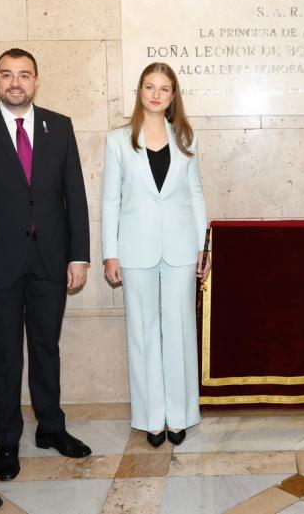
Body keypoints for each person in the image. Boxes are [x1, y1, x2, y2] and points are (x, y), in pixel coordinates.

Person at [0, 48, 91, 482]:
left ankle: (51, 427)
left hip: (51, 259)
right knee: (5, 354)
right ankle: (8, 438)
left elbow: (75, 195)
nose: (16, 82)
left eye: (24, 75)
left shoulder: (60, 125)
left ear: (36, 80)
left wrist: (78, 255)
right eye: (7, 74)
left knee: (47, 349)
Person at [101, 62, 210, 448]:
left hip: (181, 248)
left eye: (164, 89)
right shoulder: (118, 140)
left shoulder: (186, 137)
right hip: (135, 248)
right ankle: (151, 418)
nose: (156, 94)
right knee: (143, 332)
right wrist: (109, 253)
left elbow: (195, 194)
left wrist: (203, 246)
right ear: (140, 91)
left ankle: (179, 416)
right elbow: (110, 199)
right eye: (150, 86)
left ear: (172, 95)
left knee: (180, 329)